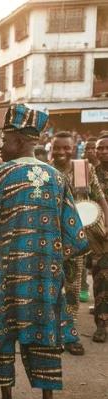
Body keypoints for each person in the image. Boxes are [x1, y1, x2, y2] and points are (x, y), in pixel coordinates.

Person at [0, 104, 88, 399]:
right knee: (45, 332)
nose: (0, 147)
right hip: (42, 278)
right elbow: (75, 235)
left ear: (19, 140)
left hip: (1, 275)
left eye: (5, 140)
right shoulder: (56, 178)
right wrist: (52, 261)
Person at [51, 131, 108, 356]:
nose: (62, 152)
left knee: (73, 289)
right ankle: (50, 334)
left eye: (66, 148)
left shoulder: (83, 169)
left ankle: (69, 334)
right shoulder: (44, 171)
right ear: (51, 149)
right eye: (57, 148)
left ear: (74, 148)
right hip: (49, 238)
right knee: (51, 287)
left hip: (76, 240)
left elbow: (100, 198)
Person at [90, 135, 108, 342]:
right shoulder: (89, 173)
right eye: (99, 148)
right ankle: (101, 325)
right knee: (101, 278)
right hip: (100, 234)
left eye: (106, 148)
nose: (103, 151)